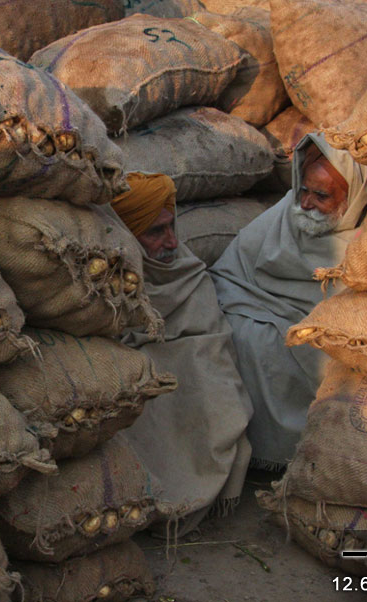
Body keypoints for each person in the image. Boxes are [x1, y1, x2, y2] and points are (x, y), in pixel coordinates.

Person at [208, 133, 367, 470]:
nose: (305, 203)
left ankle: (300, 458)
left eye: (321, 196)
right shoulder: (286, 212)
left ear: (355, 197)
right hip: (256, 308)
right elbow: (229, 273)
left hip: (322, 331)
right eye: (303, 190)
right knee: (228, 337)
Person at [108, 172, 254, 534]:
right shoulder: (102, 289)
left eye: (172, 226)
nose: (172, 242)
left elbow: (213, 339)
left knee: (216, 387)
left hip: (195, 367)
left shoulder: (188, 272)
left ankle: (201, 492)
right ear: (126, 235)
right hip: (137, 369)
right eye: (156, 232)